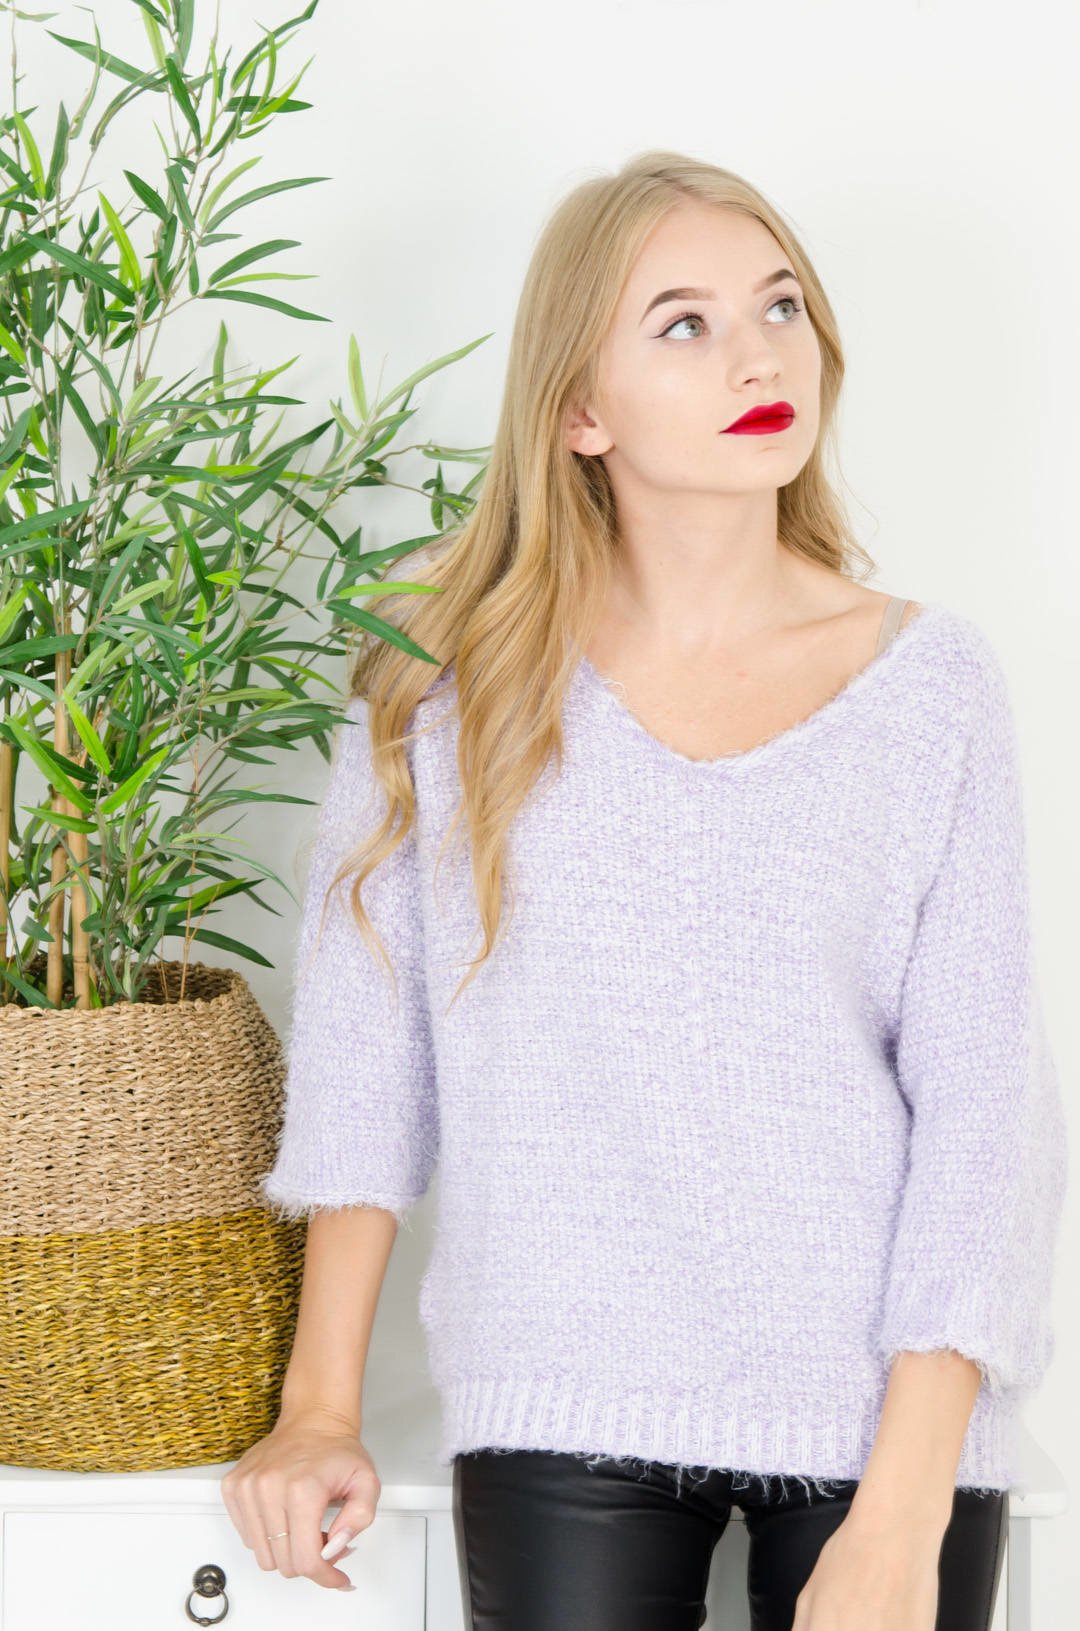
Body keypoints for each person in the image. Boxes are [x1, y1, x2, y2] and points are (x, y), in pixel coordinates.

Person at [219, 150, 1068, 1631]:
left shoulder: (930, 688)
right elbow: (366, 1068)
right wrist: (318, 1409)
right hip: (561, 1379)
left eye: (781, 306)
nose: (760, 357)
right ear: (580, 411)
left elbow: (986, 1114)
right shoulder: (448, 682)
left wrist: (903, 1515)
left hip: (886, 1411)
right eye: (685, 324)